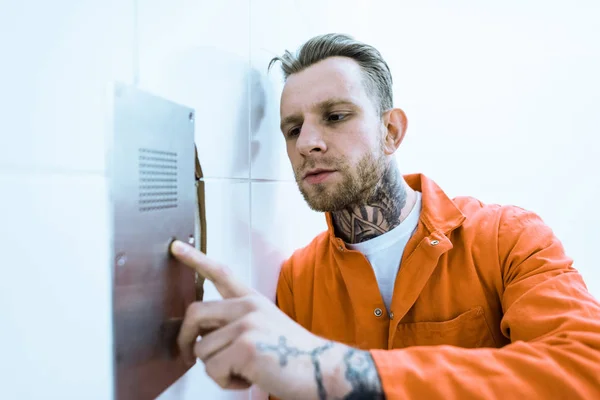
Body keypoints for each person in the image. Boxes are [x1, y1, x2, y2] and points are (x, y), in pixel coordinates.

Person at [170, 33, 600, 399]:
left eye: (335, 116)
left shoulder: (507, 238)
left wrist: (337, 370)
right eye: (293, 128)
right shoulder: (298, 280)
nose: (308, 143)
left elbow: (586, 368)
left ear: (391, 131)